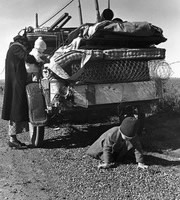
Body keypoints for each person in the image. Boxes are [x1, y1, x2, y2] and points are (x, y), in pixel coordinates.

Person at [1, 33, 37, 149]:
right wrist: (38, 61)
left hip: (16, 82)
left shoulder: (13, 48)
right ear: (23, 43)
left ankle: (14, 139)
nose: (26, 49)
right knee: (15, 110)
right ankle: (12, 139)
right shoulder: (16, 47)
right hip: (16, 84)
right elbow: (27, 57)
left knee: (15, 109)